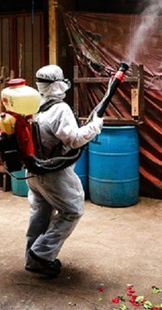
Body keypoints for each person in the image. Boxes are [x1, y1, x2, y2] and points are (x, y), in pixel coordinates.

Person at [24, 64, 103, 277]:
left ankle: (31, 259)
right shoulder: (59, 109)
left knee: (40, 214)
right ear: (58, 84)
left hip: (32, 172)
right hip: (53, 173)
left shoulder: (33, 104)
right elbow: (75, 140)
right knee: (73, 210)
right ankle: (41, 254)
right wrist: (95, 126)